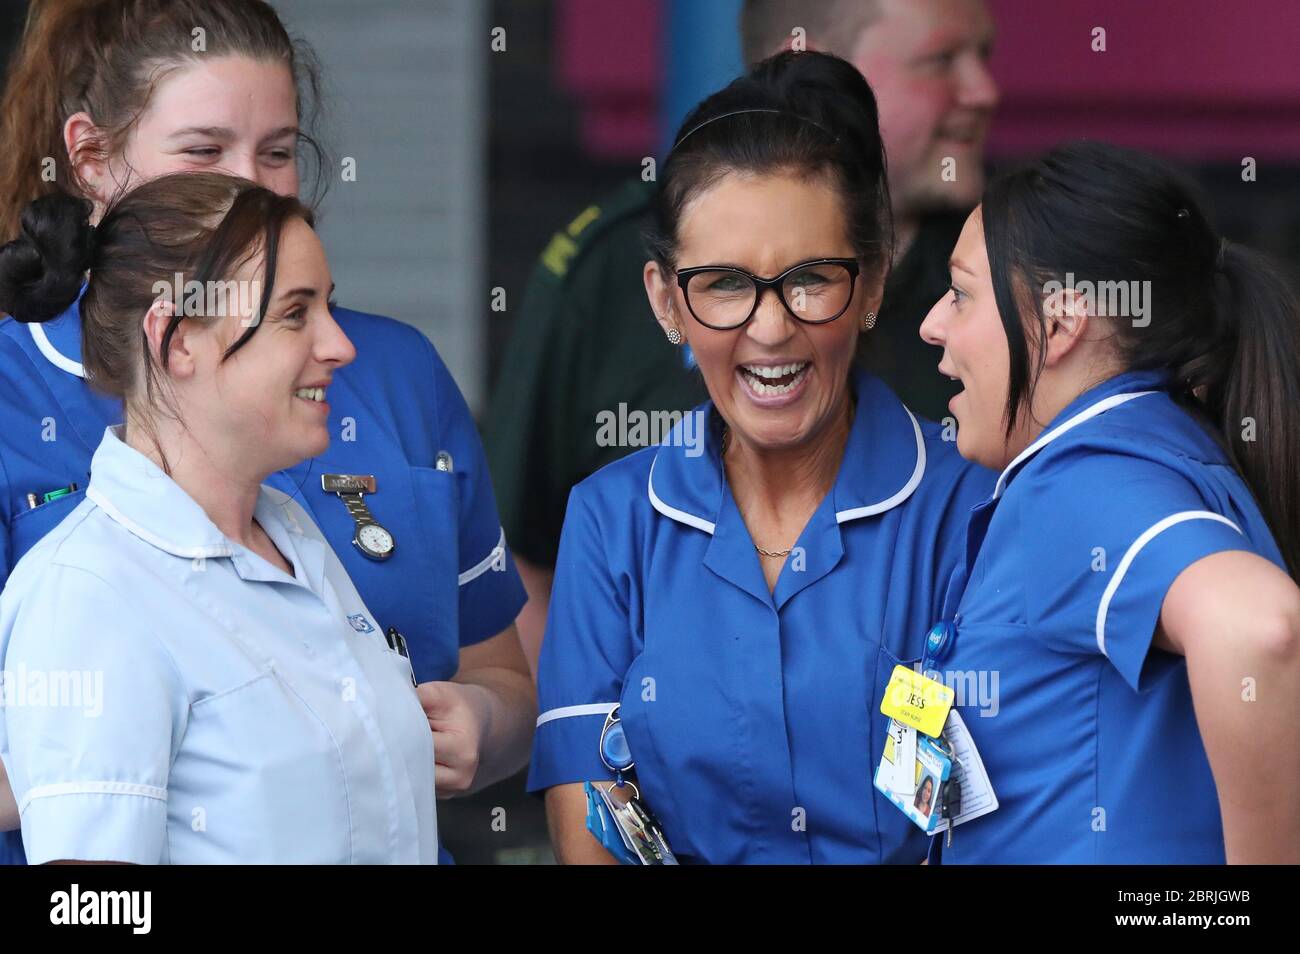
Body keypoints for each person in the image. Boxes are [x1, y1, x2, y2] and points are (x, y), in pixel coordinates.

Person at [0, 0, 533, 860]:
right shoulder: (90, 577)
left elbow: (488, 674)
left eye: (279, 152)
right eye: (204, 150)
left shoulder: (282, 530)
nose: (251, 183)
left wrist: (460, 720)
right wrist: (125, 747)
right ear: (90, 159)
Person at [528, 52, 994, 865]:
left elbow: (982, 826)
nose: (770, 328)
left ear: (876, 281)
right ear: (667, 301)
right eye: (723, 285)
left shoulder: (972, 507)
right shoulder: (610, 521)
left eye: (811, 279)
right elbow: (594, 829)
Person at [486, 0, 1000, 675]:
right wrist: (599, 738)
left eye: (815, 279)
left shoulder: (1007, 275)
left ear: (870, 283)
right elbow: (521, 555)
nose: (985, 91)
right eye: (940, 60)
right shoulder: (602, 271)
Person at [0, 173, 441, 863]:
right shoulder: (90, 592)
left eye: (329, 307)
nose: (339, 346)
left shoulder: (291, 533)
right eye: (296, 314)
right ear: (176, 339)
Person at [917, 141, 1300, 863]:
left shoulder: (1085, 478)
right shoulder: (1154, 446)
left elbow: (1261, 630)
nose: (933, 324)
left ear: (1059, 326)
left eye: (963, 293)